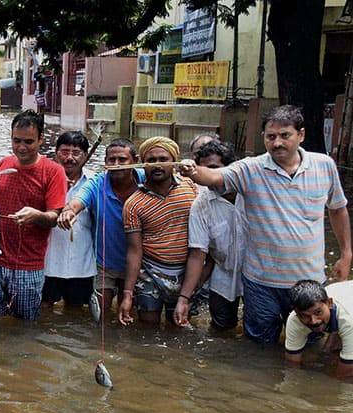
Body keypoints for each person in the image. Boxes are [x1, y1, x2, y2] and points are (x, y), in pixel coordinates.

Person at [180, 104, 351, 343]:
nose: (277, 143)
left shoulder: (324, 166)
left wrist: (346, 254)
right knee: (259, 348)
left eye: (285, 135)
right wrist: (193, 171)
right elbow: (215, 177)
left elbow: (337, 209)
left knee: (310, 340)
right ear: (264, 138)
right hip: (261, 282)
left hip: (309, 280)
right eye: (271, 137)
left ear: (300, 135)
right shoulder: (250, 168)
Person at [0, 110, 67, 319]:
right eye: (16, 141)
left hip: (28, 267)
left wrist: (36, 215)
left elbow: (54, 217)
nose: (21, 147)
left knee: (26, 327)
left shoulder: (53, 171)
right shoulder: (3, 164)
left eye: (28, 141)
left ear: (41, 139)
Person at [118, 136, 198, 325]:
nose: (157, 165)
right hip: (150, 272)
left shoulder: (191, 189)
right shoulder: (134, 203)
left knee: (180, 327)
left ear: (175, 162)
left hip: (185, 272)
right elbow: (134, 251)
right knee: (147, 331)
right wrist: (128, 294)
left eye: (163, 159)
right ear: (143, 164)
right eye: (151, 160)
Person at [57, 139, 143, 313]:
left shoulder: (146, 179)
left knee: (131, 315)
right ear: (105, 162)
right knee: (99, 314)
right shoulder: (97, 183)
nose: (116, 164)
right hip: (105, 264)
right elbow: (77, 201)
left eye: (122, 160)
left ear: (135, 161)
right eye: (111, 160)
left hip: (140, 263)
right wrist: (68, 212)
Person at [173, 141, 247, 330]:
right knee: (221, 328)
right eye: (202, 170)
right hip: (223, 274)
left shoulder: (253, 193)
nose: (207, 176)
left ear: (231, 169)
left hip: (257, 274)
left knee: (257, 328)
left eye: (214, 169)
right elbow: (198, 254)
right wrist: (184, 298)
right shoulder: (201, 204)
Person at [42, 131, 95, 310]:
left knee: (76, 312)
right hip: (48, 260)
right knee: (43, 307)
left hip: (82, 262)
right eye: (64, 152)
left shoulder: (94, 182)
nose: (69, 158)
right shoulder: (44, 178)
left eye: (76, 153)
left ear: (85, 155)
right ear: (56, 153)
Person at [284, 280, 353, 379]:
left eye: (318, 312)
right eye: (305, 316)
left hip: (349, 312)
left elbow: (345, 375)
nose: (313, 321)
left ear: (329, 303)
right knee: (329, 352)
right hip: (345, 298)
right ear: (296, 313)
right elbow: (291, 366)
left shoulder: (348, 320)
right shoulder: (294, 320)